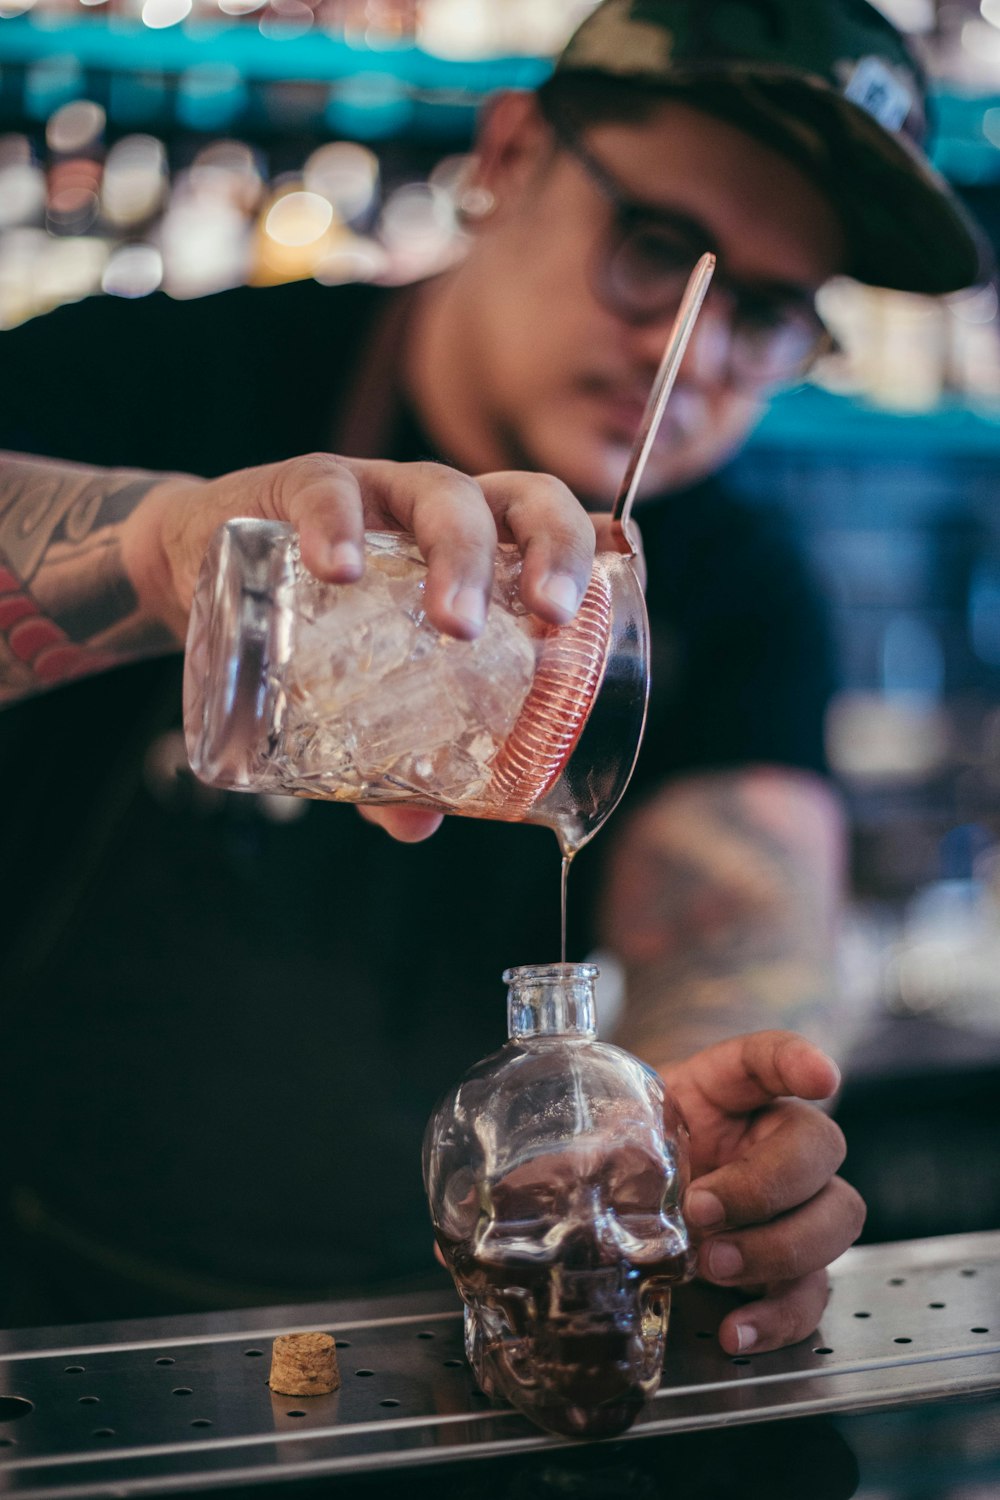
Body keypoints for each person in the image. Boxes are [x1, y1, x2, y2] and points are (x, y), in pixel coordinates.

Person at [0, 0, 986, 1346]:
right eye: (654, 253)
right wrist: (153, 555)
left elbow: (745, 919)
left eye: (762, 315)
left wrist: (712, 1127)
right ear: (511, 156)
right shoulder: (155, 378)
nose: (688, 356)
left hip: (455, 1349)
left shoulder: (738, 577)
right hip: (49, 1324)